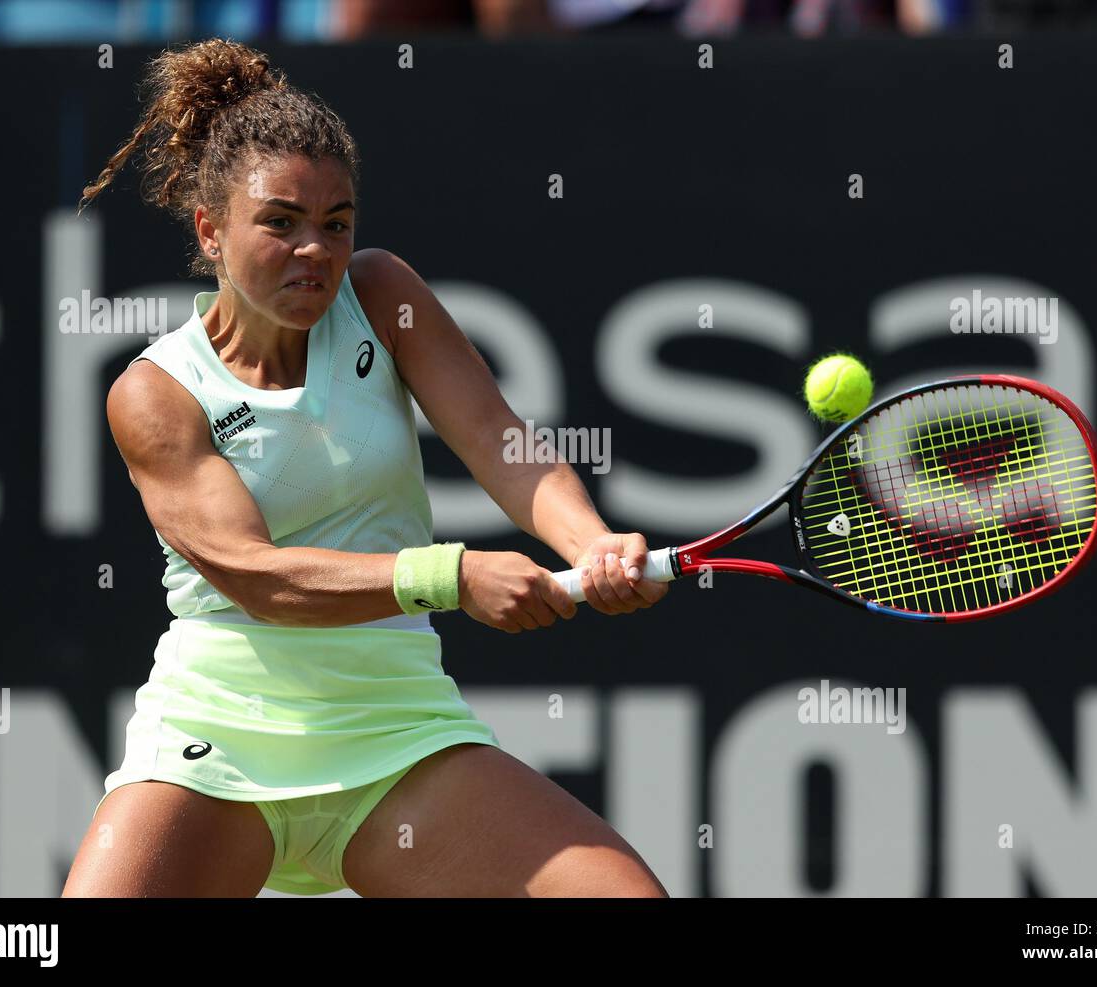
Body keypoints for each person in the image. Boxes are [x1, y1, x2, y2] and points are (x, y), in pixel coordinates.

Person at [62, 37, 669, 898]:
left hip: (395, 734)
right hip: (217, 740)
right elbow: (260, 577)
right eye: (280, 221)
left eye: (336, 223)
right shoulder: (155, 393)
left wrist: (595, 543)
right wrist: (450, 575)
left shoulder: (383, 296)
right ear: (210, 228)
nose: (315, 249)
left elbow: (504, 444)